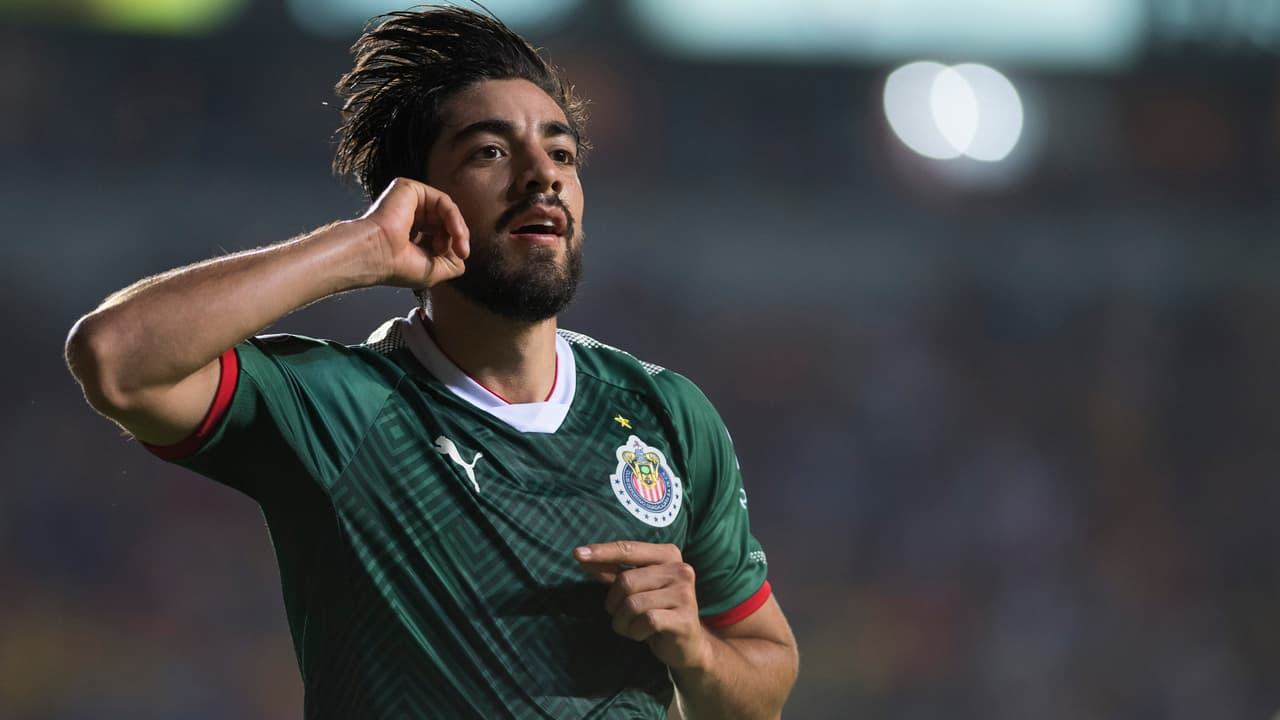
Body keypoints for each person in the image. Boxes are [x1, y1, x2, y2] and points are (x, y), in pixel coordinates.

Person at [65, 5, 798, 719]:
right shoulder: (341, 407)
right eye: (490, 152)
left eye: (562, 153)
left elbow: (762, 684)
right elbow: (115, 356)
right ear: (419, 198)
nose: (542, 175)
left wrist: (695, 650)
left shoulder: (667, 413)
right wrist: (359, 248)